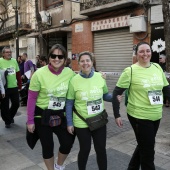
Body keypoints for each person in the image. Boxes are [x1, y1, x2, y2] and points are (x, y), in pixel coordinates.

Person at [112, 42, 170, 170]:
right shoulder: (130, 71)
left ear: (151, 52)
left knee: (144, 144)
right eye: (141, 51)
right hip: (139, 116)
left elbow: (166, 87)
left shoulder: (157, 67)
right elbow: (117, 92)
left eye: (148, 51)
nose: (145, 54)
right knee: (148, 153)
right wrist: (116, 114)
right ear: (136, 54)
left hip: (156, 114)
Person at [66, 51, 120, 170]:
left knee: (101, 149)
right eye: (82, 61)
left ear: (92, 62)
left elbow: (105, 95)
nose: (85, 63)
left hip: (99, 120)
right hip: (81, 122)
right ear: (79, 63)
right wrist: (69, 123)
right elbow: (69, 103)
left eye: (88, 60)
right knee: (85, 149)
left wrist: (114, 98)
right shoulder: (74, 80)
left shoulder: (99, 77)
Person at [26, 44, 76, 170]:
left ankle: (59, 166)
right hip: (42, 115)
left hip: (61, 114)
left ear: (65, 59)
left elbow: (82, 80)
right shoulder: (39, 74)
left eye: (60, 56)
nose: (56, 59)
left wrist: (97, 75)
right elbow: (31, 99)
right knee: (47, 146)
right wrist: (30, 120)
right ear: (49, 58)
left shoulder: (69, 73)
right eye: (53, 56)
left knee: (67, 142)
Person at [0, 46, 22, 128]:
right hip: (4, 88)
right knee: (4, 106)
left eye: (10, 52)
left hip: (14, 87)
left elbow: (18, 74)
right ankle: (7, 121)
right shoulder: (0, 61)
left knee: (16, 103)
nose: (9, 53)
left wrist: (19, 85)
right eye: (7, 52)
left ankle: (10, 116)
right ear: (3, 54)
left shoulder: (14, 61)